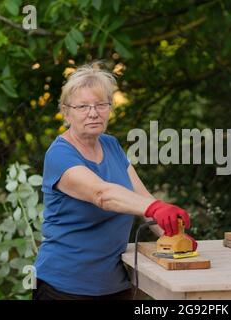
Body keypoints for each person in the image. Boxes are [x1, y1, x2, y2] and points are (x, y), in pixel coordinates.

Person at [33, 64, 194, 300]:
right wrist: (156, 208)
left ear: (110, 109)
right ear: (66, 112)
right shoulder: (60, 154)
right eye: (83, 106)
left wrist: (174, 234)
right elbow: (102, 194)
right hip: (64, 287)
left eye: (101, 105)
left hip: (115, 284)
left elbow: (143, 200)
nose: (93, 112)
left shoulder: (111, 145)